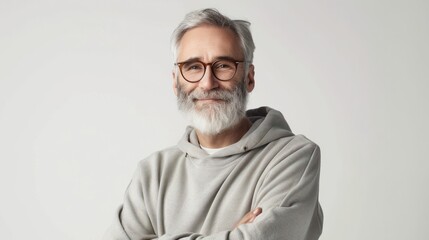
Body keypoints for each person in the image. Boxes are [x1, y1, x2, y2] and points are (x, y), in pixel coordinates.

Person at [103, 8, 323, 240]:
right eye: (193, 67)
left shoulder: (292, 157)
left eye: (223, 66)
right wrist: (231, 235)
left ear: (249, 77)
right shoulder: (152, 173)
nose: (207, 83)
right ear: (175, 82)